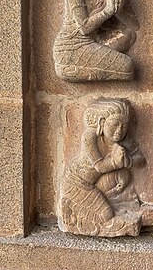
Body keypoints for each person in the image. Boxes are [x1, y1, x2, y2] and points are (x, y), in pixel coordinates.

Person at [59, 98, 145, 237]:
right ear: (101, 122)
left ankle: (110, 207)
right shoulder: (90, 137)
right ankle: (71, 205)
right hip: (76, 182)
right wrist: (116, 162)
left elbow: (141, 160)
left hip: (97, 183)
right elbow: (100, 166)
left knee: (124, 178)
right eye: (114, 124)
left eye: (124, 126)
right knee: (106, 215)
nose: (119, 131)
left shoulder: (123, 140)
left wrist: (128, 161)